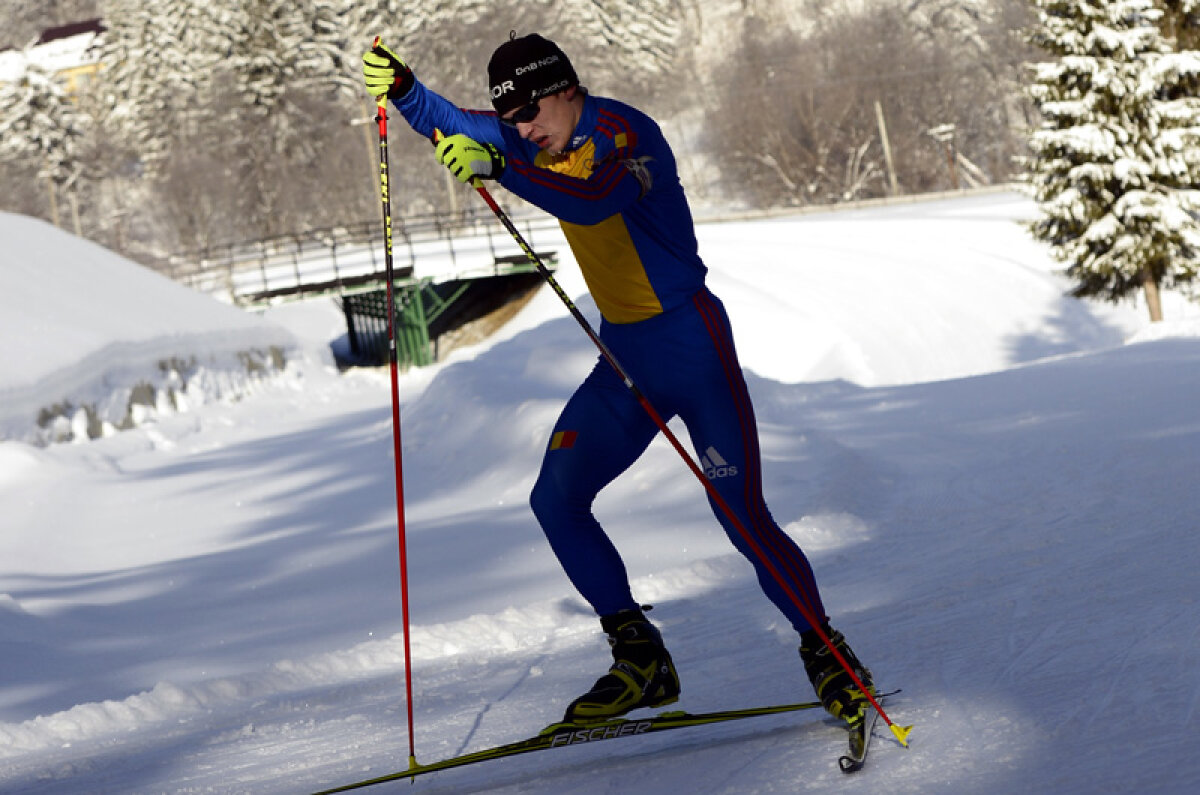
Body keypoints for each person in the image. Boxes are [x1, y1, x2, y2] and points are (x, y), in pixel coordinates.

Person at [362, 32, 875, 727]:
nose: (523, 130)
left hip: (694, 347)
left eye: (531, 113)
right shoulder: (535, 141)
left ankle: (828, 654)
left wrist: (501, 169)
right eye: (511, 122)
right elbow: (453, 123)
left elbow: (595, 200)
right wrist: (404, 90)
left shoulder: (627, 135)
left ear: (566, 88)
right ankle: (640, 656)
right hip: (625, 358)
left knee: (739, 512)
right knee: (556, 497)